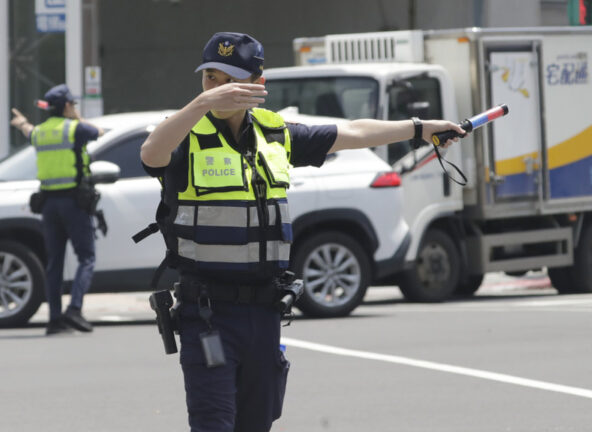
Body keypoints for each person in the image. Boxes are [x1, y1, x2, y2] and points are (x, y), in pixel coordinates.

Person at [139, 32, 465, 431]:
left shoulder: (275, 133)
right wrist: (203, 104)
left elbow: (354, 132)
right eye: (211, 77)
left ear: (258, 85)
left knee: (256, 424)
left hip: (264, 313)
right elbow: (151, 153)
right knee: (214, 424)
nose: (218, 88)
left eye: (230, 81)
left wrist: (420, 128)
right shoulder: (184, 134)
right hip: (208, 315)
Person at [11, 84, 105, 336]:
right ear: (66, 106)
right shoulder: (75, 128)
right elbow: (99, 131)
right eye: (72, 104)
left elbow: (29, 131)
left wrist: (22, 123)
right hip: (74, 202)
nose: (74, 107)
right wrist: (76, 117)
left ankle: (54, 320)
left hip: (49, 204)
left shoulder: (40, 132)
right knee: (86, 258)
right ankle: (74, 309)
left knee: (55, 263)